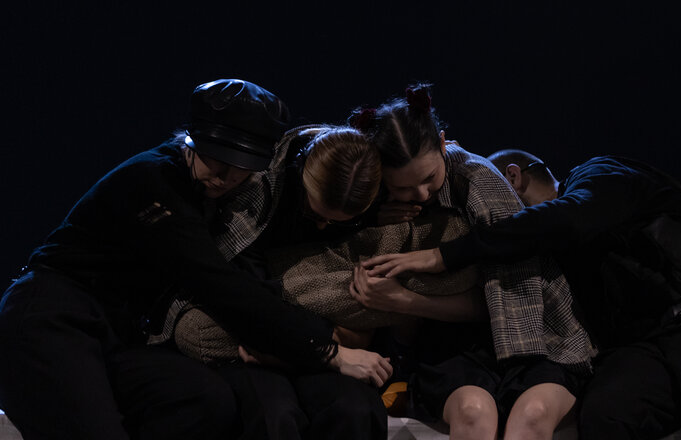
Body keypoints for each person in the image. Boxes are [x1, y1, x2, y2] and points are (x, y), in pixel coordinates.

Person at [0, 79, 390, 440]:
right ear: (192, 139)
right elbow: (222, 287)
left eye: (237, 169)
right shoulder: (153, 183)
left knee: (205, 398)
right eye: (214, 158)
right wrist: (328, 351)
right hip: (53, 314)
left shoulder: (227, 200)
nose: (221, 177)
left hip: (116, 333)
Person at [364, 148, 681, 440]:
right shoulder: (554, 261)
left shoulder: (600, 174)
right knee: (607, 412)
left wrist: (444, 255)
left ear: (512, 179)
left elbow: (570, 218)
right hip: (647, 345)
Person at [349, 85, 596, 440]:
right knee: (473, 412)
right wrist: (378, 221)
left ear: (443, 143)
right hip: (452, 344)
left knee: (533, 414)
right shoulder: (378, 200)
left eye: (428, 178)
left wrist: (404, 299)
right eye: (403, 188)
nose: (421, 194)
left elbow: (510, 302)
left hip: (538, 336)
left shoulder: (479, 183)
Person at [180, 123, 392, 440]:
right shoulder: (256, 192)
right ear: (301, 176)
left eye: (339, 222)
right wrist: (332, 343)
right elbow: (250, 302)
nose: (322, 228)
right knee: (273, 412)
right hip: (259, 325)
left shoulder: (372, 194)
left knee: (355, 409)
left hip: (316, 323)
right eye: (315, 214)